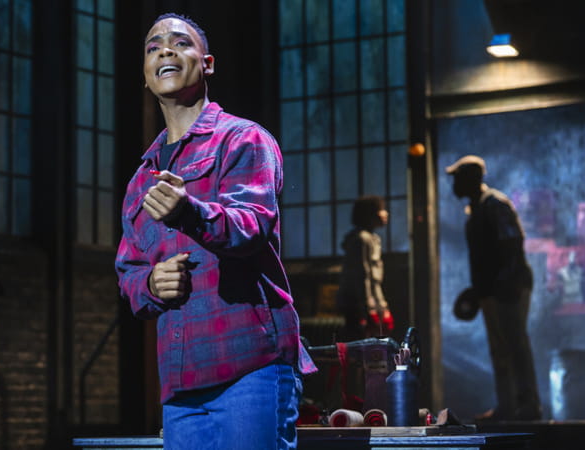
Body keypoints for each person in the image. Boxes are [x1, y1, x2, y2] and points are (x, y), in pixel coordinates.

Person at [115, 13, 317, 449]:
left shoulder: (242, 140)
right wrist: (150, 283)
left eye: (179, 43)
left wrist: (189, 212)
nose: (165, 50)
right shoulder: (140, 181)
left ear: (207, 64)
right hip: (181, 385)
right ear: (146, 75)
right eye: (153, 47)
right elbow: (128, 272)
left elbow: (251, 226)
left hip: (250, 367)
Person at [445, 154, 541, 422]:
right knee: (501, 349)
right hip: (492, 290)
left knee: (515, 346)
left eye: (458, 178)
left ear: (472, 178)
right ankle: (508, 406)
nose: (454, 184)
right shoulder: (476, 210)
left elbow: (512, 243)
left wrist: (504, 283)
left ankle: (528, 405)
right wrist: (480, 290)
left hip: (508, 287)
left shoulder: (494, 204)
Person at [336, 195, 394, 341]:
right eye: (381, 210)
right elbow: (362, 277)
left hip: (368, 302)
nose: (386, 213)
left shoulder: (373, 239)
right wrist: (370, 309)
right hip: (357, 305)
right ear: (370, 215)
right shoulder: (362, 240)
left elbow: (373, 280)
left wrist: (382, 307)